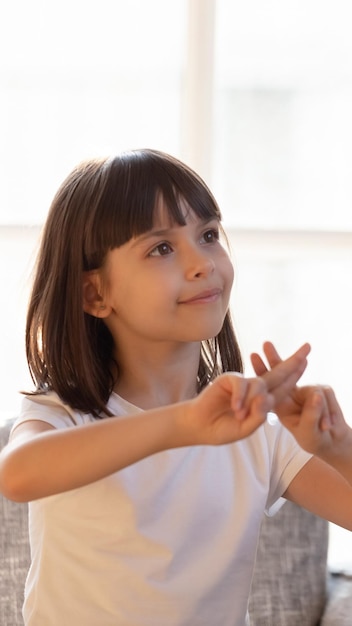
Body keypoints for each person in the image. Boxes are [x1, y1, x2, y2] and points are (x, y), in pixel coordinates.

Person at [0, 149, 351, 626]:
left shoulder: (254, 434)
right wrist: (184, 424)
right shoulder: (62, 413)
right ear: (94, 294)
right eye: (160, 248)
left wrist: (339, 447)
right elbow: (17, 475)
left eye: (208, 235)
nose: (202, 263)